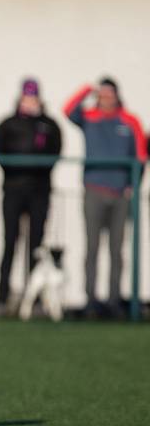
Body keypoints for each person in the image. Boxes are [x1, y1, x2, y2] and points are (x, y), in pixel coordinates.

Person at [64, 78, 146, 317]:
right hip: (94, 191)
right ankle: (91, 301)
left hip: (121, 195)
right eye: (103, 93)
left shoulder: (130, 122)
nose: (106, 97)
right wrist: (88, 88)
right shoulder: (89, 117)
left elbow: (140, 157)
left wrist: (133, 185)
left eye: (110, 93)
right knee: (92, 249)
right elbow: (68, 110)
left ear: (117, 95)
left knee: (117, 251)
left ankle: (114, 302)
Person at [0, 79, 62, 310]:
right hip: (13, 190)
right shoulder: (8, 124)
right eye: (27, 98)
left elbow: (55, 153)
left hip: (39, 191)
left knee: (36, 246)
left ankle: (32, 299)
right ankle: (3, 297)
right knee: (9, 241)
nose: (30, 102)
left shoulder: (49, 125)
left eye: (33, 98)